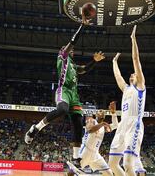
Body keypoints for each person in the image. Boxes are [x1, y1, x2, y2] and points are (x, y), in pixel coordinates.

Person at [24, 14, 105, 165]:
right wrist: (82, 25)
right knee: (62, 109)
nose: (70, 50)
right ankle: (36, 128)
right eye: (67, 48)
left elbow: (85, 69)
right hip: (64, 90)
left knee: (77, 122)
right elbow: (72, 41)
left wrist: (94, 61)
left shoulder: (74, 66)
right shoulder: (62, 57)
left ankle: (75, 158)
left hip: (74, 94)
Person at [109, 25, 146, 176]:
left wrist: (133, 40)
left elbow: (135, 59)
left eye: (134, 74)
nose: (132, 74)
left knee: (127, 163)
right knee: (112, 164)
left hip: (134, 124)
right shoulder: (126, 89)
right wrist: (114, 62)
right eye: (131, 74)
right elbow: (118, 77)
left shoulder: (141, 86)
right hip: (123, 125)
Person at [67, 101, 118, 176]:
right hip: (85, 151)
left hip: (95, 154)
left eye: (103, 111)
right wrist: (102, 124)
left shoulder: (103, 127)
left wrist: (113, 113)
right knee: (71, 172)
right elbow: (90, 129)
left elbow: (115, 125)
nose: (102, 112)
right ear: (96, 115)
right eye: (100, 111)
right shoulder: (91, 121)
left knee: (109, 173)